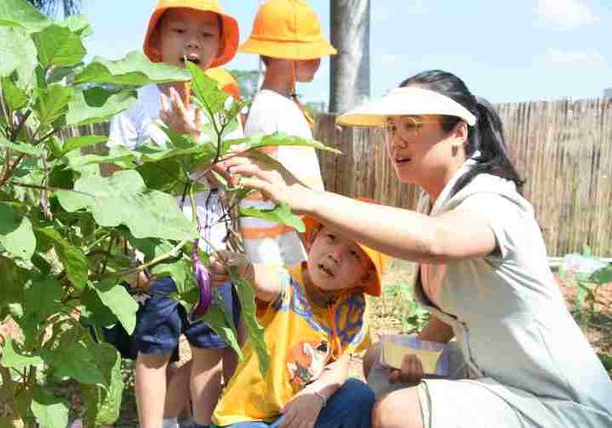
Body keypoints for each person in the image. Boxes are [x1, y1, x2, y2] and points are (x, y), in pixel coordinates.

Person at [225, 70, 612, 427]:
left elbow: (434, 240)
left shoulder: (493, 200)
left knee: (398, 412)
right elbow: (451, 313)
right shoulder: (444, 203)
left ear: (459, 133)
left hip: (556, 399)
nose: (396, 139)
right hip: (496, 372)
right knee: (380, 358)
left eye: (412, 125)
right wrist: (420, 354)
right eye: (392, 127)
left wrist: (307, 198)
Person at [107, 1, 242, 427]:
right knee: (153, 351)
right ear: (157, 41)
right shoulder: (137, 101)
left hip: (212, 255)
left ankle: (201, 423)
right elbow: (116, 176)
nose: (192, 42)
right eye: (179, 30)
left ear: (218, 46)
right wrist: (131, 249)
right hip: (158, 254)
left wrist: (195, 139)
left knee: (209, 351)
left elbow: (234, 179)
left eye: (205, 34)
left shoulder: (221, 106)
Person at [208, 209, 388, 428]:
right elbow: (264, 281)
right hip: (245, 420)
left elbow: (340, 366)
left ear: (365, 276)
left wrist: (315, 395)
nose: (336, 255)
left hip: (297, 414)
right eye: (331, 238)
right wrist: (243, 268)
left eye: (354, 253)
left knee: (358, 395)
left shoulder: (352, 308)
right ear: (312, 239)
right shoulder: (287, 284)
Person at [238, 0, 336, 267]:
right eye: (311, 52)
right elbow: (263, 189)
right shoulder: (269, 108)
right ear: (290, 55)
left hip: (292, 243)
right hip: (276, 253)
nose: (319, 60)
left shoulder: (282, 104)